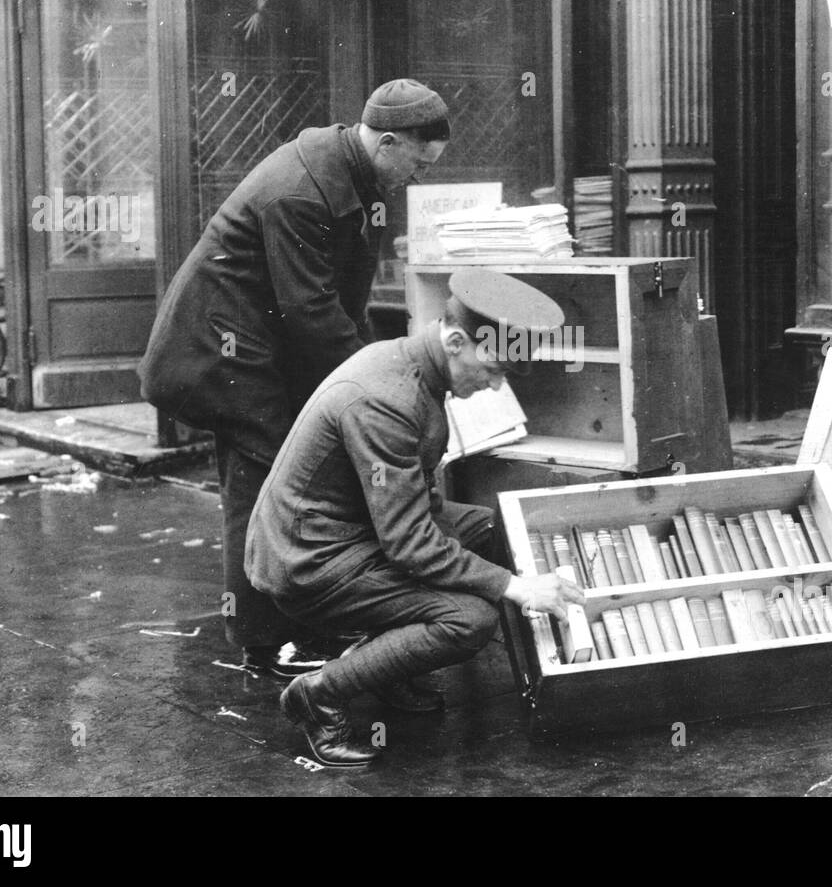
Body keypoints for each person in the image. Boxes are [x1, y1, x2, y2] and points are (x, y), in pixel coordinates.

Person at [138, 79, 450, 680]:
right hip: (217, 355)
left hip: (259, 347)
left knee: (289, 472)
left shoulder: (358, 175)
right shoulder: (301, 192)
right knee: (266, 477)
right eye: (418, 164)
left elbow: (342, 301)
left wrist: (371, 372)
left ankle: (296, 615)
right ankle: (265, 639)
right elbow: (308, 310)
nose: (419, 178)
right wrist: (382, 384)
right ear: (387, 143)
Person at [246, 267, 586, 767]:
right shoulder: (387, 401)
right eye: (493, 369)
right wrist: (516, 587)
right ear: (454, 340)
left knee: (490, 528)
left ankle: (393, 665)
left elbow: (415, 511)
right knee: (470, 619)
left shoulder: (411, 367)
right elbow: (410, 545)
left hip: (346, 533)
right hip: (309, 561)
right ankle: (318, 694)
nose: (494, 385)